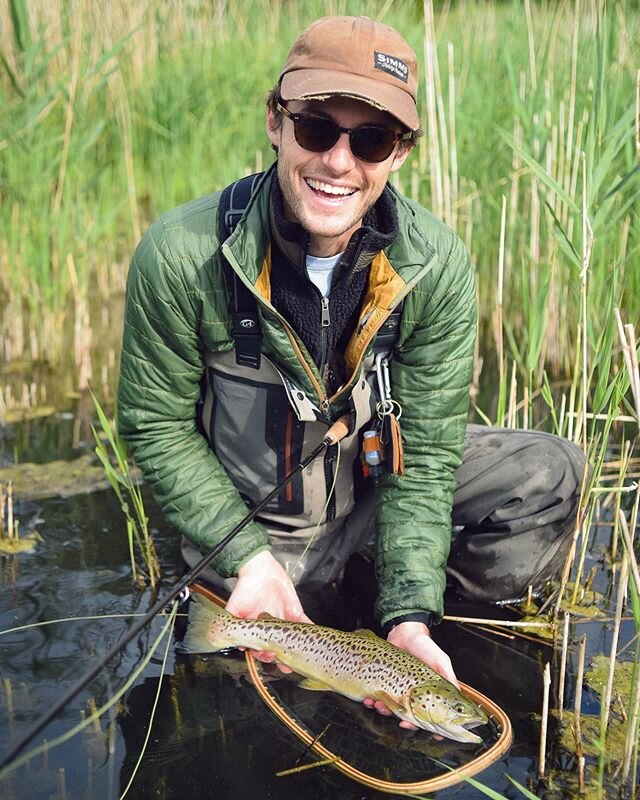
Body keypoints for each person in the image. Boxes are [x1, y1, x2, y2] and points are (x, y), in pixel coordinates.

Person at [117, 16, 585, 718]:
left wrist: (409, 617)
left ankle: (400, 602)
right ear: (275, 121)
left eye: (370, 139)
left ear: (399, 154)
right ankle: (294, 596)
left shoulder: (436, 266)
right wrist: (247, 557)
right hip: (259, 525)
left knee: (547, 472)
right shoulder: (182, 255)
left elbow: (423, 460)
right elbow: (155, 426)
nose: (338, 162)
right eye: (316, 128)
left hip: (364, 498)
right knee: (225, 727)